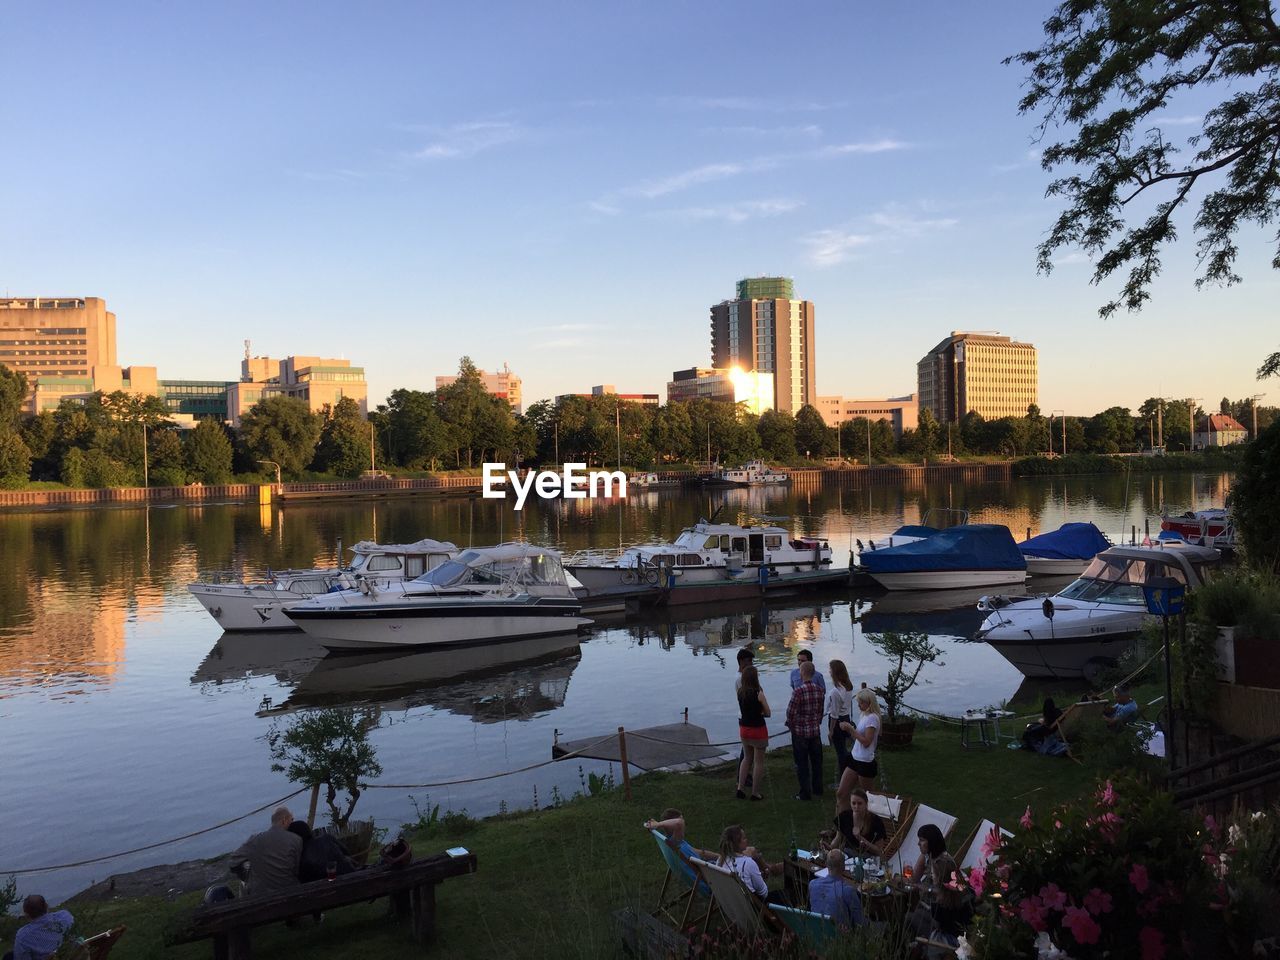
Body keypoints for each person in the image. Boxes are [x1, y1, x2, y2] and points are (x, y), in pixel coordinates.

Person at [834, 688, 882, 827]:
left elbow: (867, 742)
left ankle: (870, 826)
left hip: (865, 762)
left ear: (869, 703)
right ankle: (840, 827)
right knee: (841, 793)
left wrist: (851, 729)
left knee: (868, 798)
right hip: (854, 758)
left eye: (861, 703)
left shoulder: (873, 718)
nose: (858, 705)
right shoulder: (865, 715)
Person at [230, 805, 302, 895]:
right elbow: (296, 870)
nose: (292, 822)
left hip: (261, 896)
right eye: (291, 819)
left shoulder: (255, 840)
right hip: (291, 893)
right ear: (284, 820)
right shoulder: (296, 840)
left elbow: (233, 862)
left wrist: (247, 876)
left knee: (243, 886)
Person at [716, 825, 787, 906]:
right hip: (755, 907)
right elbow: (764, 893)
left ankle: (774, 869)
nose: (747, 840)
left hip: (733, 905)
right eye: (744, 838)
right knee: (790, 894)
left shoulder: (720, 860)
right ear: (737, 844)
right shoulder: (747, 862)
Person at [785, 660, 824, 801]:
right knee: (817, 762)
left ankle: (805, 793)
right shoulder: (820, 690)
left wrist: (791, 724)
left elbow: (790, 712)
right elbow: (820, 710)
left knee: (802, 763)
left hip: (800, 732)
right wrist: (816, 721)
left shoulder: (798, 691)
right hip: (815, 731)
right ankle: (818, 789)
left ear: (802, 673)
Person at [807, 849, 865, 929]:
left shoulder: (812, 884)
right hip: (841, 936)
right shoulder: (847, 891)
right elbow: (860, 922)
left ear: (826, 864)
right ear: (844, 866)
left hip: (817, 931)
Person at [736, 666, 770, 801]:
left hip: (744, 729)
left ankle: (740, 788)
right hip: (758, 729)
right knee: (758, 762)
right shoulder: (759, 693)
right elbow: (768, 713)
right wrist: (761, 710)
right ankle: (755, 793)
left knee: (746, 758)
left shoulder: (740, 692)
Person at [286, 820, 357, 883]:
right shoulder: (327, 838)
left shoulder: (300, 859)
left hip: (328, 893)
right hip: (352, 879)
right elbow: (346, 852)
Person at [5, 895, 73, 960]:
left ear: (27, 915)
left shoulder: (23, 936)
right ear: (46, 906)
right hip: (68, 953)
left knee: (9, 956)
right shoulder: (65, 916)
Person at [644, 808, 717, 862]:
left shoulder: (677, 843)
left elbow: (698, 852)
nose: (684, 825)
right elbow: (679, 823)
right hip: (711, 877)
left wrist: (719, 857)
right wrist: (658, 824)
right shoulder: (674, 842)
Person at [834, 788, 887, 858]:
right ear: (850, 803)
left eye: (860, 803)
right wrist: (829, 848)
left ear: (866, 803)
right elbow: (837, 839)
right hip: (846, 856)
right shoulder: (844, 817)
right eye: (853, 803)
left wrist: (860, 838)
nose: (856, 806)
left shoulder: (875, 821)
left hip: (867, 859)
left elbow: (879, 851)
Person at [826, 659, 855, 777]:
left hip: (837, 722)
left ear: (835, 672)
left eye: (830, 669)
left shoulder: (835, 692)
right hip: (846, 718)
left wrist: (831, 731)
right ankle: (849, 772)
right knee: (844, 748)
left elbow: (834, 714)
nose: (829, 672)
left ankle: (844, 777)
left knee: (840, 751)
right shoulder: (848, 687)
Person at [735, 646, 756, 789]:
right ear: (742, 661)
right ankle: (742, 775)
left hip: (745, 715)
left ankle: (745, 774)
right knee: (747, 749)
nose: (752, 664)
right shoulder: (741, 679)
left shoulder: (743, 677)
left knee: (749, 749)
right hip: (746, 716)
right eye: (749, 661)